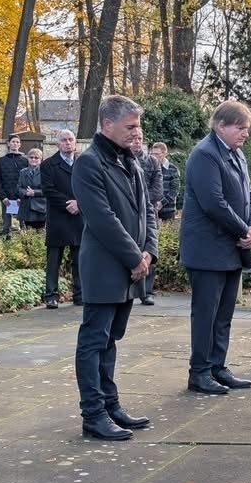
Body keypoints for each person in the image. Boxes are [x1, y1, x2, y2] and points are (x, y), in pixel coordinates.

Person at [71, 95, 158, 441]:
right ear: (107, 125)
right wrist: (134, 258)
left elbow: (146, 210)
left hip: (131, 267)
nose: (137, 132)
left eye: (138, 125)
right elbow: (102, 219)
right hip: (106, 267)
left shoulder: (130, 161)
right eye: (131, 126)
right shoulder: (89, 164)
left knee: (111, 340)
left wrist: (149, 251)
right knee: (94, 341)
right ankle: (93, 414)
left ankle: (111, 404)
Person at [180, 100, 251, 395]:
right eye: (240, 128)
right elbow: (214, 203)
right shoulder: (205, 155)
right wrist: (243, 230)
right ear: (220, 126)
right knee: (206, 315)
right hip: (207, 250)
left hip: (231, 248)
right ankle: (199, 371)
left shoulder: (236, 155)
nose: (245, 134)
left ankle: (217, 366)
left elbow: (249, 195)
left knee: (224, 314)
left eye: (247, 128)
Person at [41, 130, 82, 309]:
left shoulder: (83, 163)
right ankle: (51, 295)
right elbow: (48, 190)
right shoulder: (49, 165)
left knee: (79, 258)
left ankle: (80, 294)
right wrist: (69, 204)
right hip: (58, 216)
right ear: (58, 144)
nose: (67, 143)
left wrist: (79, 203)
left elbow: (92, 186)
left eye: (70, 140)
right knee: (54, 259)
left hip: (79, 217)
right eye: (64, 140)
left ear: (75, 142)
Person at [130, 130, 163, 306]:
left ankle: (147, 292)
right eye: (134, 138)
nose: (136, 142)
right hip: (129, 213)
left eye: (140, 139)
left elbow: (157, 189)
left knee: (150, 249)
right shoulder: (123, 160)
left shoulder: (152, 162)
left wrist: (141, 202)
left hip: (148, 211)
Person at [0, 134, 29, 237]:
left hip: (21, 197)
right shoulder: (1, 161)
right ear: (8, 144)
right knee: (6, 227)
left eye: (17, 142)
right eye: (13, 141)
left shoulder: (25, 160)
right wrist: (3, 197)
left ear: (20, 144)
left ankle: (25, 247)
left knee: (23, 225)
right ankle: (6, 246)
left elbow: (28, 179)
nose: (15, 144)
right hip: (6, 197)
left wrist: (22, 196)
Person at [16, 149, 48, 231]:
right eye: (31, 157)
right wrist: (26, 193)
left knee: (39, 234)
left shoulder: (45, 172)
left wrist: (34, 193)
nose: (33, 159)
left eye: (36, 158)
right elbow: (18, 188)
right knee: (26, 236)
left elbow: (48, 189)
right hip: (26, 207)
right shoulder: (23, 172)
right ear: (28, 158)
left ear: (41, 159)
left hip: (40, 208)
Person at [150, 142, 180, 223]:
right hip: (152, 211)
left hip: (168, 212)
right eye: (152, 154)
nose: (153, 156)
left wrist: (161, 203)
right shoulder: (150, 168)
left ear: (164, 154)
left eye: (156, 154)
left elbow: (174, 191)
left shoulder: (173, 169)